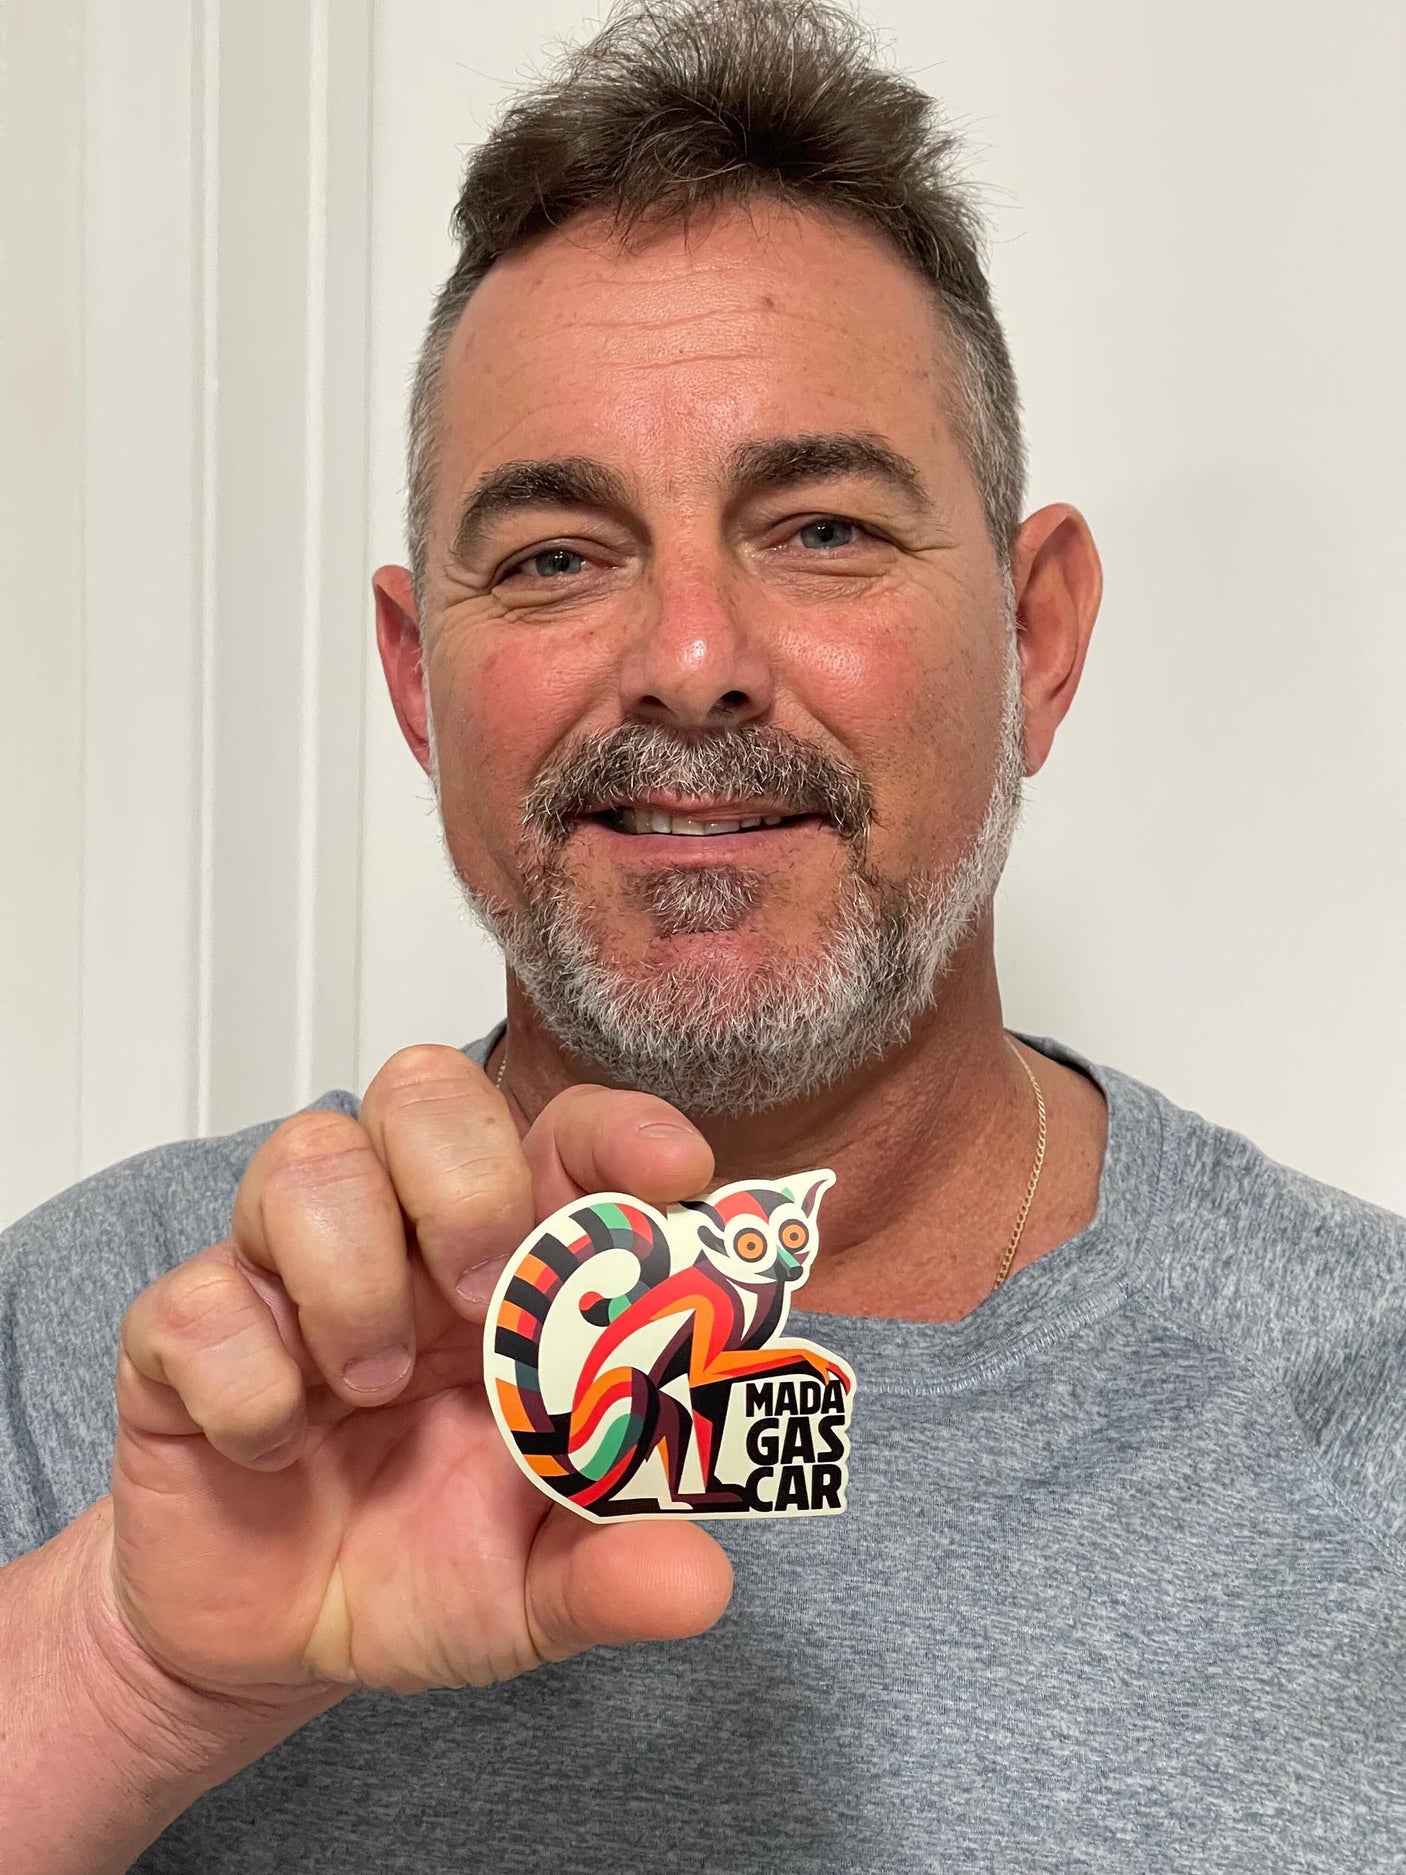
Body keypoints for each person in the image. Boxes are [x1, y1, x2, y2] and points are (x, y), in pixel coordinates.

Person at [3, 0, 1402, 1868]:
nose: (689, 662)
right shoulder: (115, 1356)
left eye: (818, 528)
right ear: (422, 683)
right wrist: (115, 1684)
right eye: (559, 557)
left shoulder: (1368, 1406)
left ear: (1037, 641)